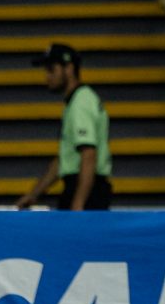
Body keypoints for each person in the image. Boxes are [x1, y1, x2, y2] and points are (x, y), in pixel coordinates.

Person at [17, 43, 113, 211]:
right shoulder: (77, 102)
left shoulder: (80, 103)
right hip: (83, 187)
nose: (47, 77)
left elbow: (89, 154)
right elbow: (64, 160)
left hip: (87, 191)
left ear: (69, 68)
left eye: (51, 70)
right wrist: (34, 194)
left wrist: (78, 204)